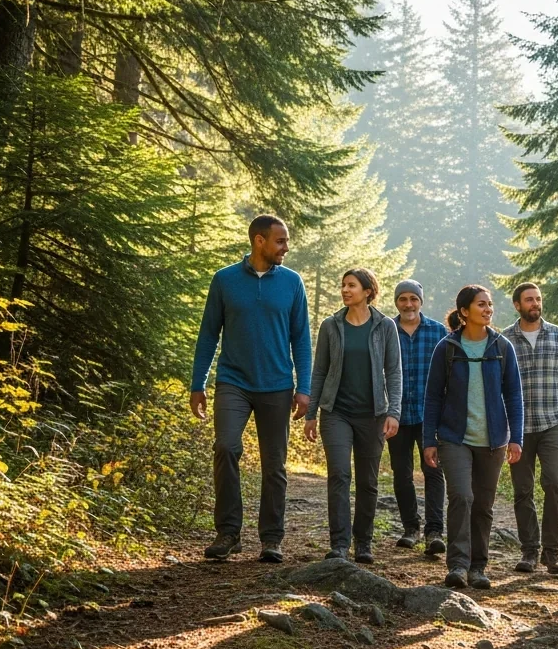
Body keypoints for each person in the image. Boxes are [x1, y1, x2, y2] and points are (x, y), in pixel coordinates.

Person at [190, 215, 312, 563]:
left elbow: (301, 339)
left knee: (274, 464)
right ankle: (228, 533)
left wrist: (303, 388)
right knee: (226, 448)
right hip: (234, 382)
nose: (286, 248)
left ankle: (271, 538)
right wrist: (198, 383)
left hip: (276, 386)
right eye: (280, 241)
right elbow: (209, 334)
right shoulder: (225, 280)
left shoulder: (292, 282)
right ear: (259, 241)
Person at [422, 285, 525, 590]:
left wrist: (516, 437)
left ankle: (478, 567)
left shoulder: (502, 347)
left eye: (490, 304)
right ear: (464, 312)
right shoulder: (447, 348)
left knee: (483, 504)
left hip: (493, 440)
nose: (488, 309)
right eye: (481, 304)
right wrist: (430, 439)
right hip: (454, 437)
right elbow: (432, 398)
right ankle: (457, 565)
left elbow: (514, 396)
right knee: (462, 497)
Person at [303, 269, 403, 564]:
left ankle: (363, 544)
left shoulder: (385, 326)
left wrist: (393, 412)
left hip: (373, 415)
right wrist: (311, 413)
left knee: (368, 482)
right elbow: (320, 370)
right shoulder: (331, 325)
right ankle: (339, 544)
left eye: (351, 285)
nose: (345, 290)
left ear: (368, 291)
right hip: (336, 412)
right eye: (343, 285)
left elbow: (394, 372)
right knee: (339, 474)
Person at [502, 282, 558, 575]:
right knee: (522, 490)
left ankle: (552, 551)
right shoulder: (505, 340)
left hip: (552, 424)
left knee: (554, 483)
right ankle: (529, 551)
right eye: (529, 300)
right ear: (517, 305)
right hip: (518, 429)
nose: (535, 303)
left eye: (538, 299)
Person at [388, 279, 449, 555]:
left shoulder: (438, 332)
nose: (408, 304)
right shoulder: (386, 330)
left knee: (434, 471)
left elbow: (449, 375)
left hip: (430, 416)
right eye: (403, 299)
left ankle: (434, 531)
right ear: (397, 302)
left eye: (414, 298)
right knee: (401, 474)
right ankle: (410, 528)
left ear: (421, 301)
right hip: (396, 414)